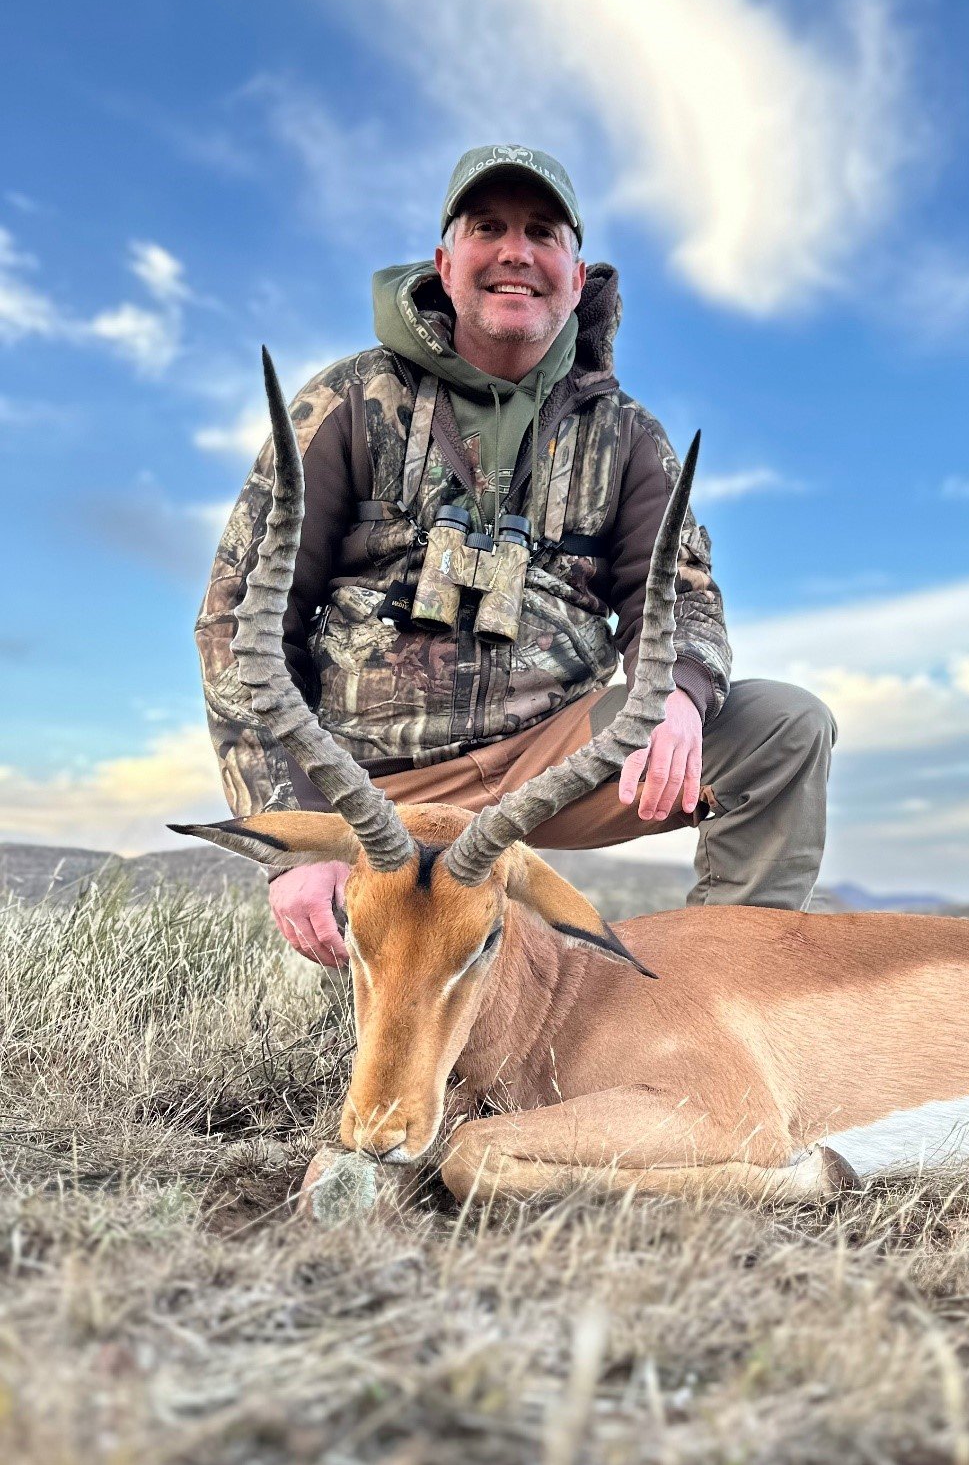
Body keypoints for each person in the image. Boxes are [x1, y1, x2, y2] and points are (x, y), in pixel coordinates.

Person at [197, 144, 835, 966]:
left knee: (783, 726)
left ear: (574, 272)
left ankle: (726, 988)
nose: (514, 252)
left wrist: (676, 694)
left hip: (556, 756)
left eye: (542, 232)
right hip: (378, 781)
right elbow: (235, 622)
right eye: (487, 227)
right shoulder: (347, 401)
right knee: (424, 1038)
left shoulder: (630, 435)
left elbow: (680, 594)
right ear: (443, 260)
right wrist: (292, 844)